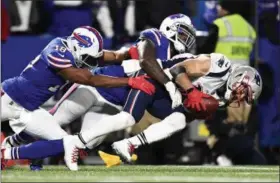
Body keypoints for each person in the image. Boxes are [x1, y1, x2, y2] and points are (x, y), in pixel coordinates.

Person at [0, 26, 155, 169]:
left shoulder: (79, 52)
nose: (90, 63)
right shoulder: (57, 49)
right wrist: (129, 81)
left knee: (68, 142)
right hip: (9, 98)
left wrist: (129, 53)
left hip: (29, 109)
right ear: (76, 47)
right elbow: (89, 79)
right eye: (88, 57)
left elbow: (113, 56)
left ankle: (6, 153)